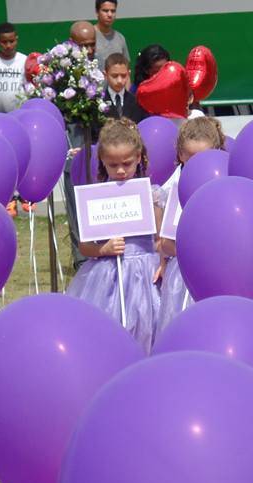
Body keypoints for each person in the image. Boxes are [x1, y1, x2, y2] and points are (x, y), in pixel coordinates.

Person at [66, 118, 162, 352]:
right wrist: (104, 249)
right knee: (110, 331)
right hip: (108, 276)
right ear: (102, 162)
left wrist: (162, 262)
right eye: (112, 165)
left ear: (138, 157)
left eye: (126, 163)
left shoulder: (151, 195)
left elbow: (159, 240)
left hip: (146, 274)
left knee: (148, 329)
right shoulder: (98, 197)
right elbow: (85, 246)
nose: (120, 171)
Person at [156, 117, 226, 334]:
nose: (197, 165)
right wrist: (167, 255)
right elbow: (162, 242)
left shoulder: (225, 187)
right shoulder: (169, 191)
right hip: (182, 273)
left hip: (218, 270)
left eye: (204, 158)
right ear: (180, 155)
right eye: (191, 158)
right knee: (183, 324)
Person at [64, 20, 102, 271]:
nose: (88, 51)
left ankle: (98, 249)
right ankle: (81, 256)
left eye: (92, 45)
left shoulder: (97, 70)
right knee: (75, 197)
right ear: (71, 44)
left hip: (95, 141)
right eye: (83, 46)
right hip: (72, 140)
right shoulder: (60, 72)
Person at [104, 52, 146, 122]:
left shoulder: (136, 102)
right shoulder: (97, 102)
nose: (119, 81)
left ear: (128, 74)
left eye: (123, 76)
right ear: (105, 75)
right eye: (114, 76)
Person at [95, 0, 129, 73]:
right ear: (97, 12)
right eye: (105, 11)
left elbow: (126, 67)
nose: (109, 14)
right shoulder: (89, 36)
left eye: (113, 11)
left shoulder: (120, 38)